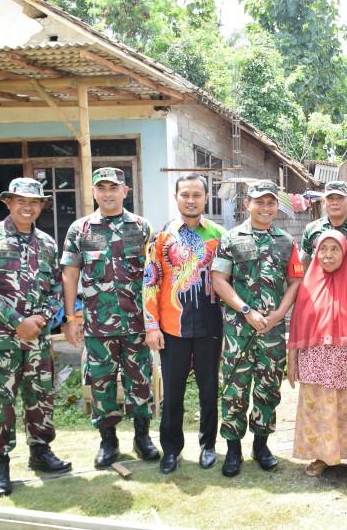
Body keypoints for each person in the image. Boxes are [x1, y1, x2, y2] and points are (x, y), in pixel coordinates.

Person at [0, 178, 71, 496]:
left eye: (34, 202)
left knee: (40, 396)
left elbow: (57, 286)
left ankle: (40, 451)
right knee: (2, 402)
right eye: (21, 201)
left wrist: (43, 318)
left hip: (37, 338)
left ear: (41, 206)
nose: (28, 207)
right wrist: (17, 322)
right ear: (9, 202)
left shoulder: (47, 244)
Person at [61, 167, 159, 469]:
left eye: (113, 188)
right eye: (101, 188)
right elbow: (70, 274)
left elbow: (154, 275)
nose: (107, 194)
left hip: (137, 324)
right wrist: (71, 317)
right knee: (101, 383)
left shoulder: (142, 227)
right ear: (93, 192)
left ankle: (142, 437)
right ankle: (108, 441)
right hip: (98, 325)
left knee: (140, 381)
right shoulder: (80, 229)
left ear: (125, 191)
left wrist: (154, 321)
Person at [213, 180, 305, 477]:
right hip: (239, 332)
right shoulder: (231, 238)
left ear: (277, 206)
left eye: (270, 202)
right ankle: (233, 449)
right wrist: (246, 310)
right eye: (259, 202)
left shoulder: (286, 242)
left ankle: (261, 446)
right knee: (234, 391)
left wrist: (279, 314)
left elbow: (295, 282)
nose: (265, 208)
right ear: (247, 204)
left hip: (272, 332)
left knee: (268, 389)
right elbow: (219, 280)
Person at [143, 174, 228, 473]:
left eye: (196, 195)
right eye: (185, 195)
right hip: (172, 328)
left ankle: (208, 445)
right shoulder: (162, 237)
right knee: (172, 393)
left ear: (206, 198)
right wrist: (151, 325)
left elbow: (229, 281)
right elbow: (151, 282)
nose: (191, 200)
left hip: (210, 325)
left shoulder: (220, 236)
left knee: (209, 390)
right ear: (176, 197)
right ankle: (171, 450)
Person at [287, 230, 347, 480]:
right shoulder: (307, 285)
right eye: (323, 249)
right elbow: (297, 324)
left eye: (334, 249)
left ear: (345, 252)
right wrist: (292, 362)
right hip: (315, 361)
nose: (328, 255)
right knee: (318, 409)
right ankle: (321, 456)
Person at [300, 181, 347, 270]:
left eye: (340, 198)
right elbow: (305, 262)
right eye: (330, 198)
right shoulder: (311, 229)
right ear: (323, 202)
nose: (335, 202)